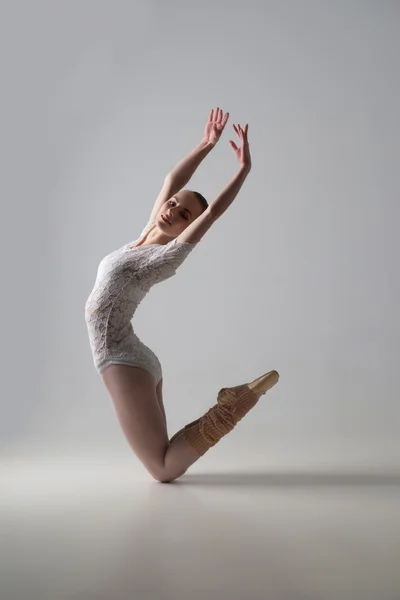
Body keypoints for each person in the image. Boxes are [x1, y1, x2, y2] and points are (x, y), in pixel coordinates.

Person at [84, 107, 279, 483]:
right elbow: (174, 179)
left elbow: (212, 215)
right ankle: (231, 405)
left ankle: (234, 406)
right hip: (133, 359)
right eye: (174, 203)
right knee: (163, 456)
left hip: (120, 359)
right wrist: (206, 144)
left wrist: (242, 172)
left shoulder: (164, 257)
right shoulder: (140, 239)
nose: (172, 210)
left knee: (162, 468)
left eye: (183, 215)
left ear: (185, 229)